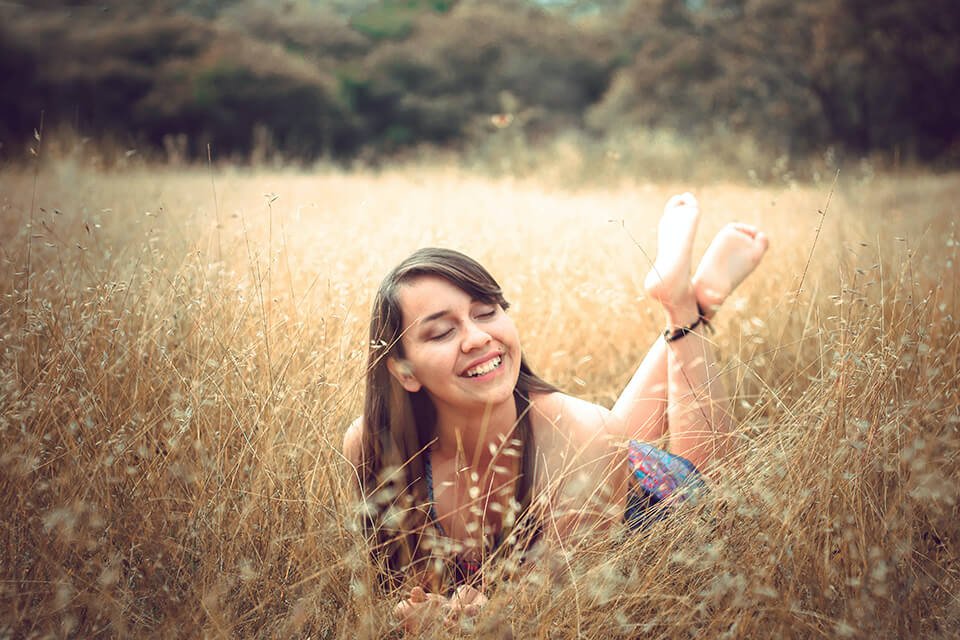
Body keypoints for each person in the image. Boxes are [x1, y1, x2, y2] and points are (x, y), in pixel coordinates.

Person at [343, 193, 768, 633]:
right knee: (596, 437)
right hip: (591, 461)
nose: (475, 338)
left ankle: (683, 308)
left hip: (658, 499)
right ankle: (691, 298)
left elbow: (562, 613)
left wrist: (473, 622)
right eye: (442, 332)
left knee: (717, 491)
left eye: (486, 312)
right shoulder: (376, 445)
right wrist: (431, 611)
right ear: (404, 371)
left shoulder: (583, 432)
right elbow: (401, 585)